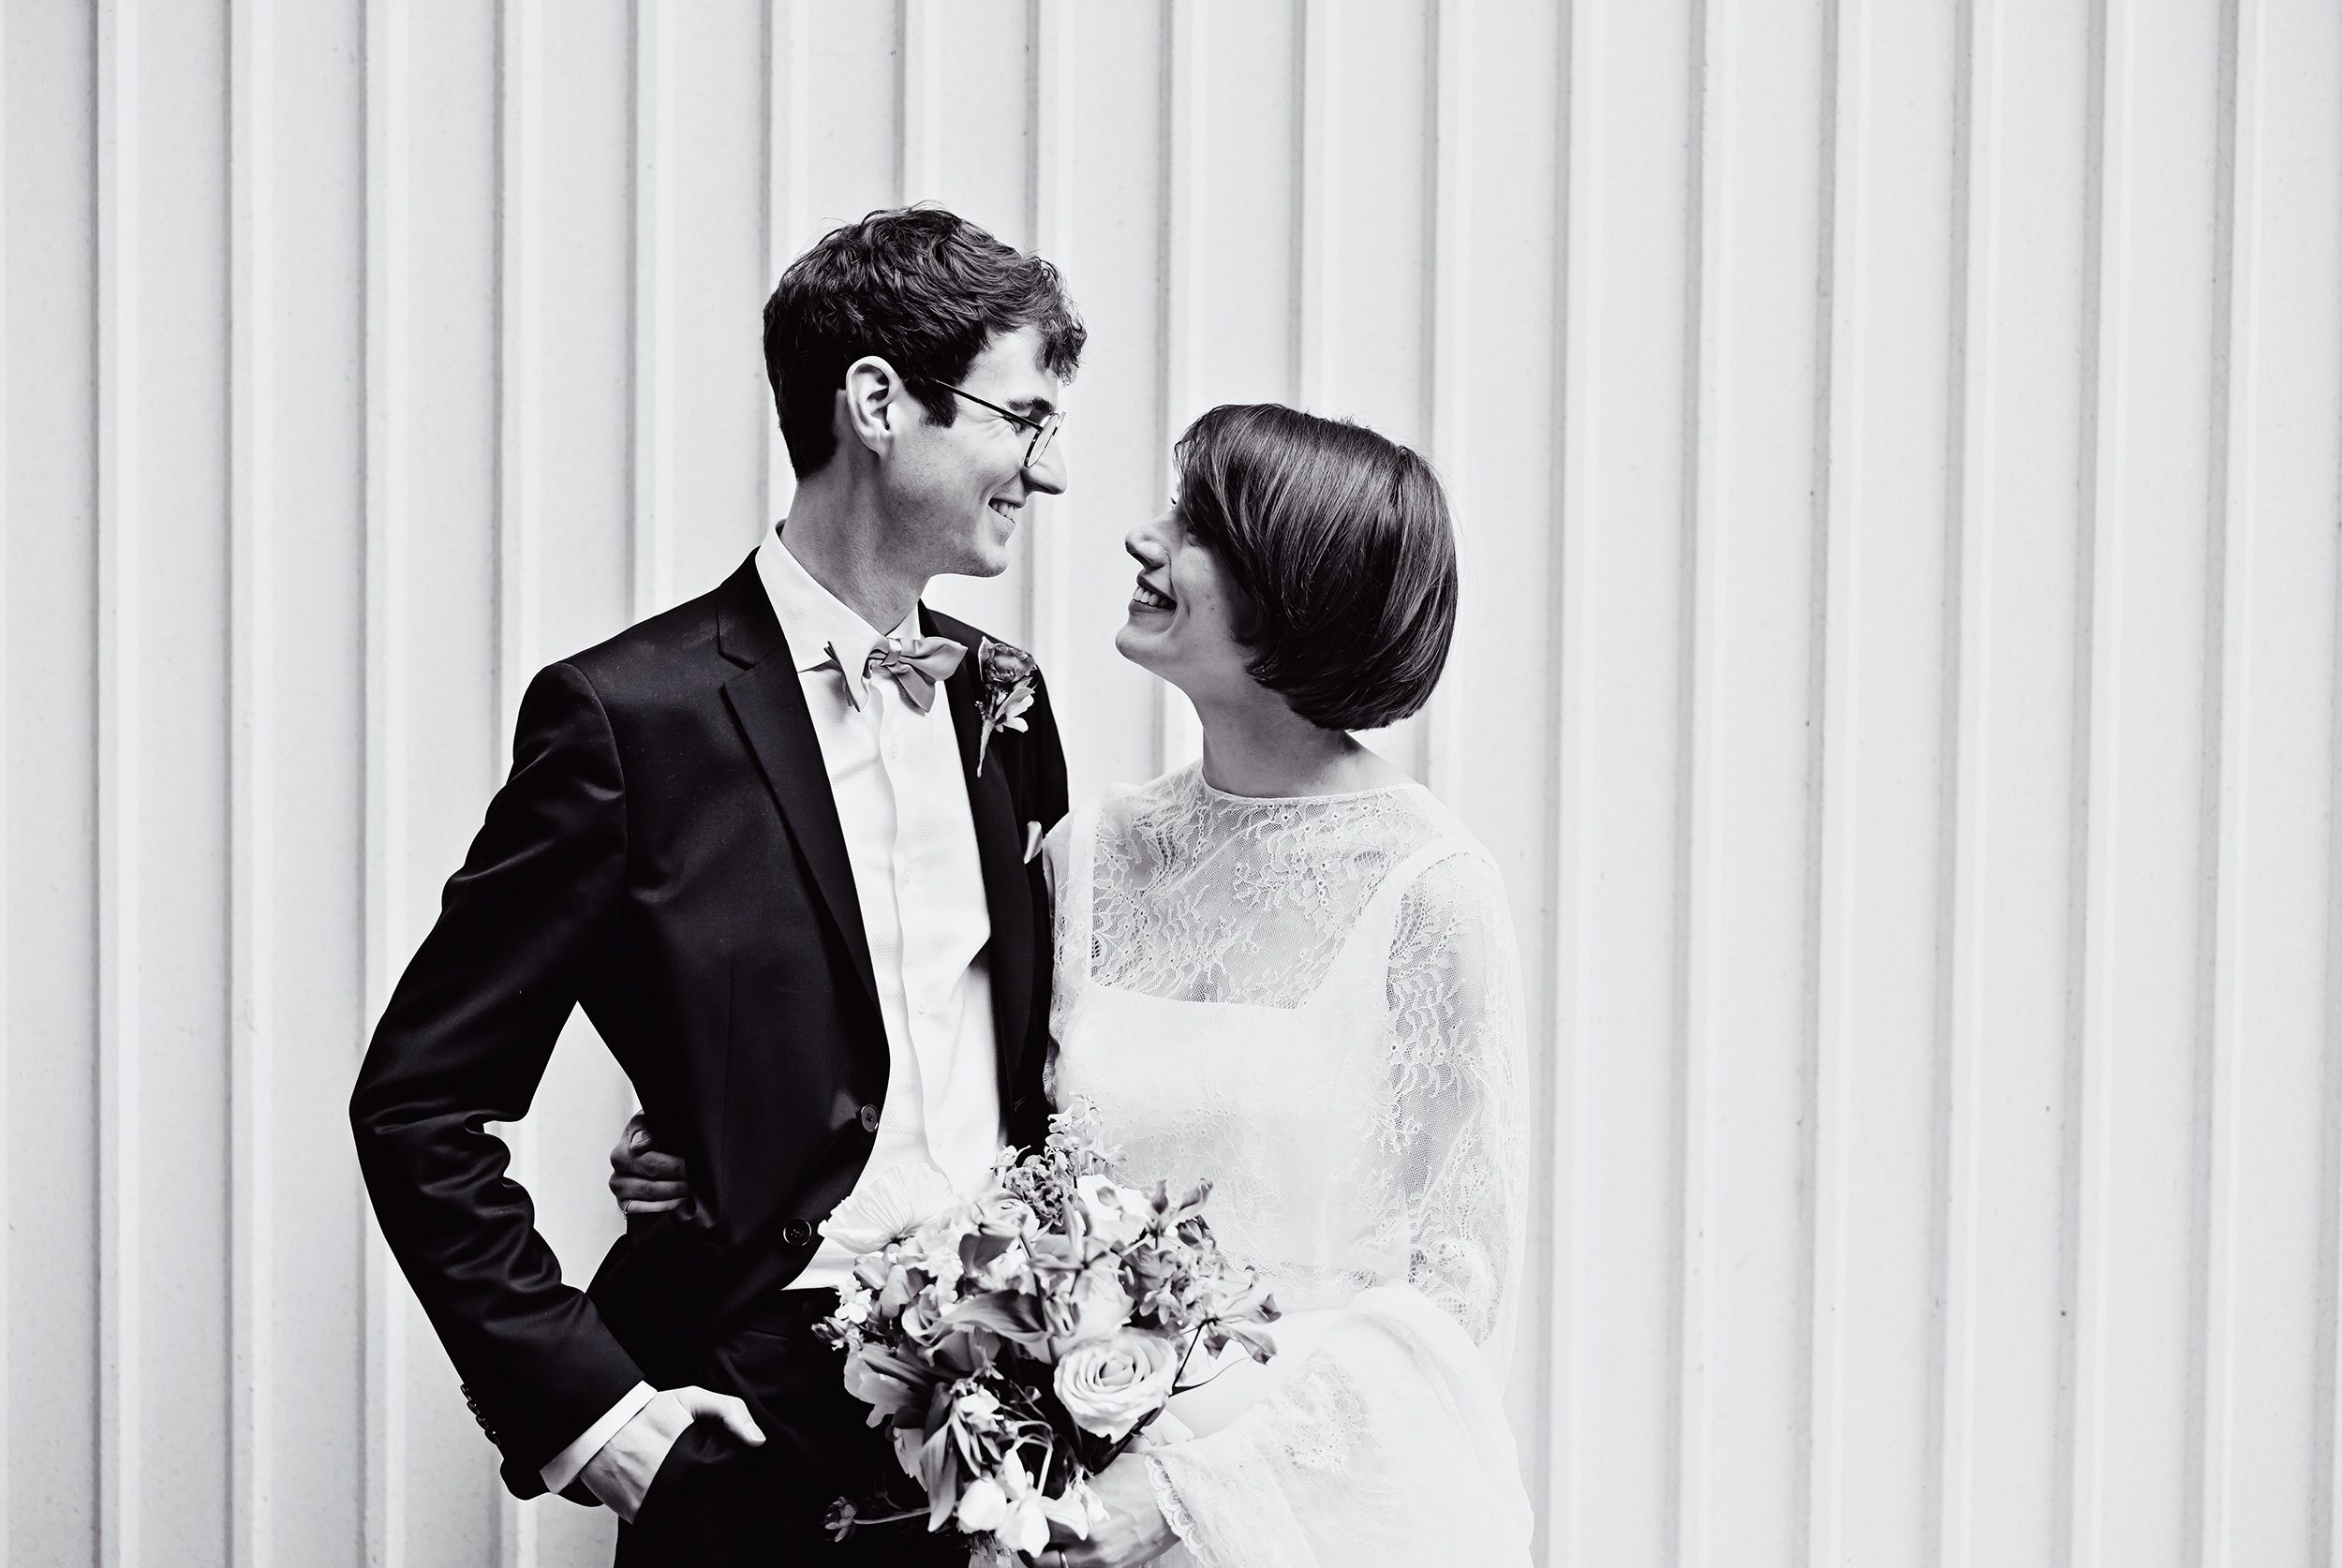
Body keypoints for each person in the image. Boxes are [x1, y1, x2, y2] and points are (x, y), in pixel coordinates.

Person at [617, 403, 1536, 1566]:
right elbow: (953, 1104)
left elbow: (1458, 1295)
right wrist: (708, 1135)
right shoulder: (1087, 852)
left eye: (1194, 525)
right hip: (1053, 1499)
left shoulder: (1430, 887)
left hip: (1285, 1511)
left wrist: (1196, 1496)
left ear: (1299, 581)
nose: (1142, 540)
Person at [349, 205, 1084, 1567]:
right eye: (1021, 418)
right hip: (760, 1435)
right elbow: (418, 1101)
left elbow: (1008, 1065)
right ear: (877, 399)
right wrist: (602, 1421)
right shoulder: (629, 719)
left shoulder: (1008, 701)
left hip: (1015, 1448)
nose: (1044, 471)